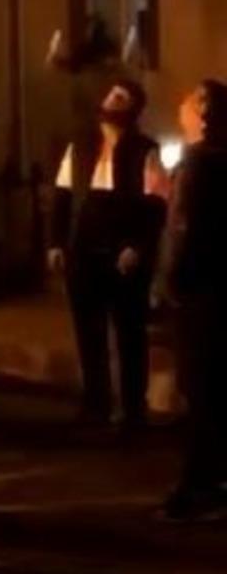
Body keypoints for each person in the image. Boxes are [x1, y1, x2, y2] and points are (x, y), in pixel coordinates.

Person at [48, 79, 167, 431]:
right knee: (89, 332)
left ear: (133, 109)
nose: (113, 100)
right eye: (112, 94)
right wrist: (56, 242)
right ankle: (95, 404)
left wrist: (138, 246)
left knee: (130, 332)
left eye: (122, 97)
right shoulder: (80, 146)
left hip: (122, 253)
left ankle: (133, 409)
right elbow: (62, 196)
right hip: (83, 251)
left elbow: (155, 203)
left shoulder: (144, 149)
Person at [155, 79, 227, 520]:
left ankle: (198, 487)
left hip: (199, 295)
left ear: (202, 112)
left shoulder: (196, 165)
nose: (179, 107)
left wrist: (170, 285)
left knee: (199, 390)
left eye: (186, 101)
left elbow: (182, 231)